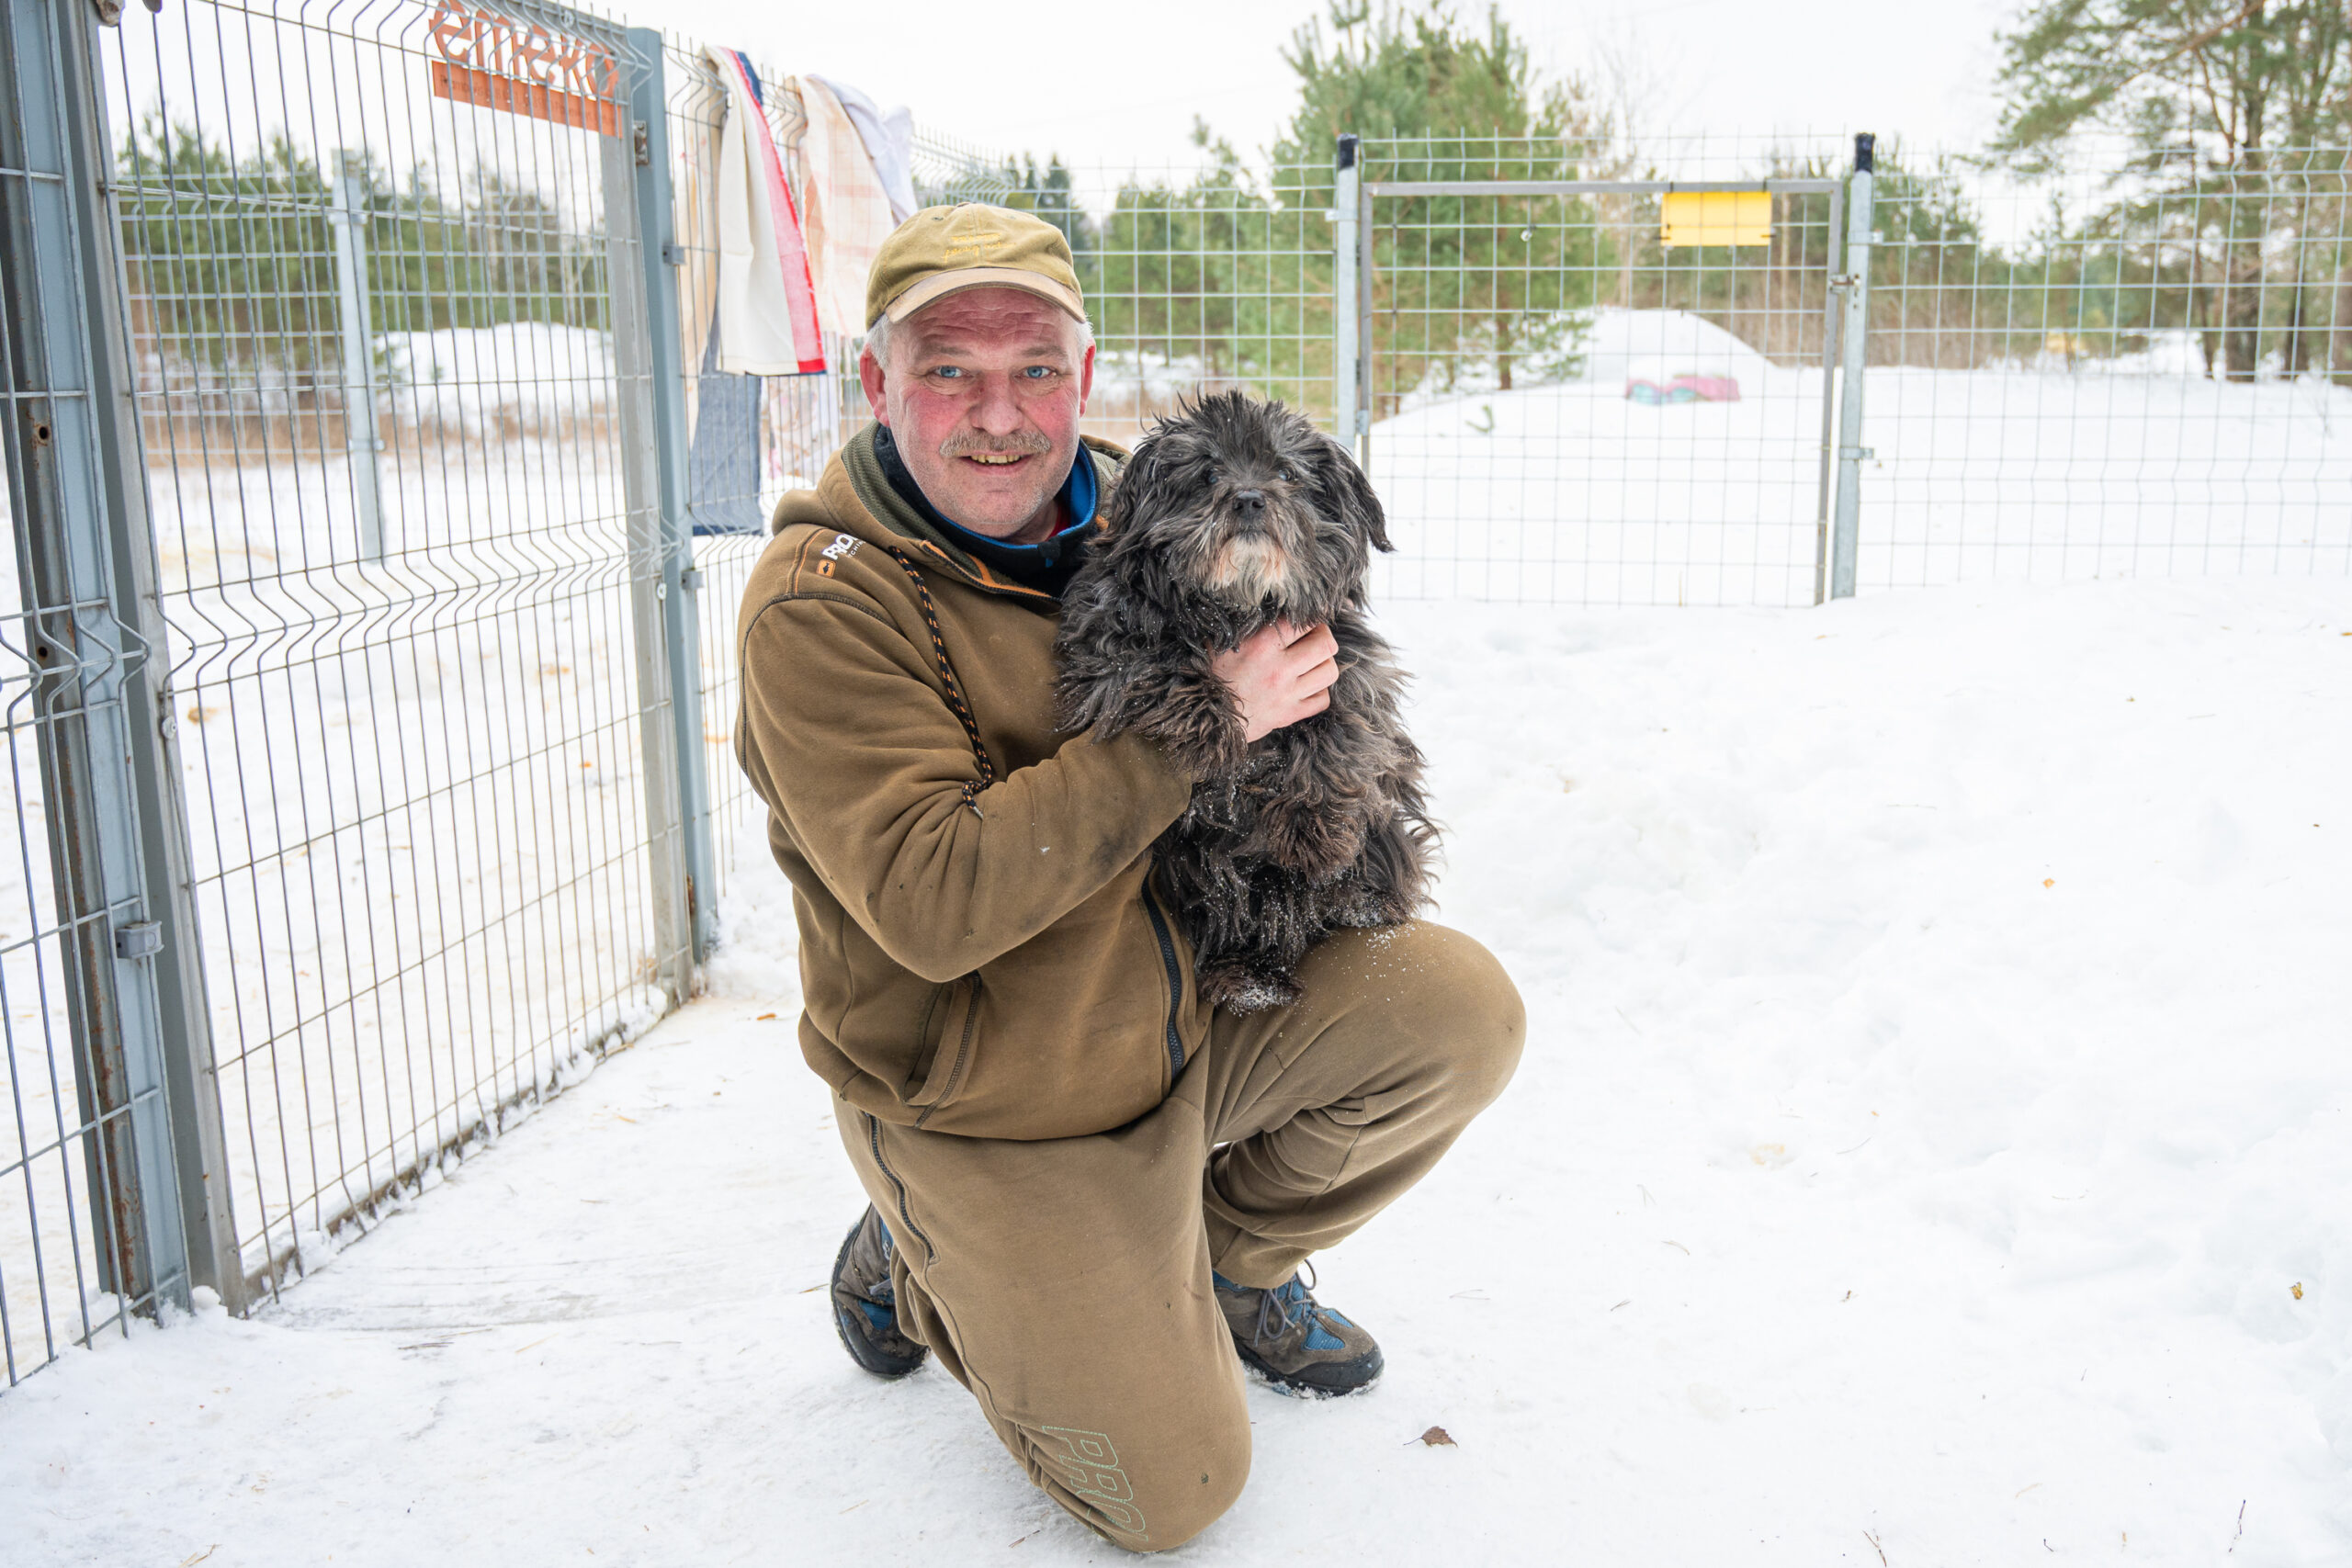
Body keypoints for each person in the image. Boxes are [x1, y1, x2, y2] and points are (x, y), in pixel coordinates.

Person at [732, 204, 1523, 1551]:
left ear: (1083, 378)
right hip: (997, 1097)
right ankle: (924, 1249)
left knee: (1457, 1014)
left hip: (1178, 1010)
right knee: (1176, 1496)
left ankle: (1220, 1263)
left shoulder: (1144, 496)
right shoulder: (825, 605)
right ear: (876, 383)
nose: (999, 413)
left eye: (1034, 366)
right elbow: (929, 903)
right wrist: (1207, 715)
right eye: (947, 370)